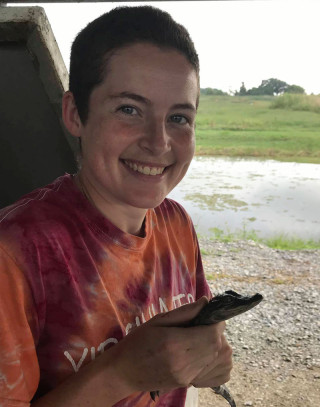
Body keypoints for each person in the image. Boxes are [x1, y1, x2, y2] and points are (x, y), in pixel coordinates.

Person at [0, 6, 233, 407]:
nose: (159, 142)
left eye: (179, 117)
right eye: (130, 109)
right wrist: (122, 372)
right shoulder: (15, 254)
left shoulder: (176, 223)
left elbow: (196, 346)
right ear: (75, 114)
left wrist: (206, 361)